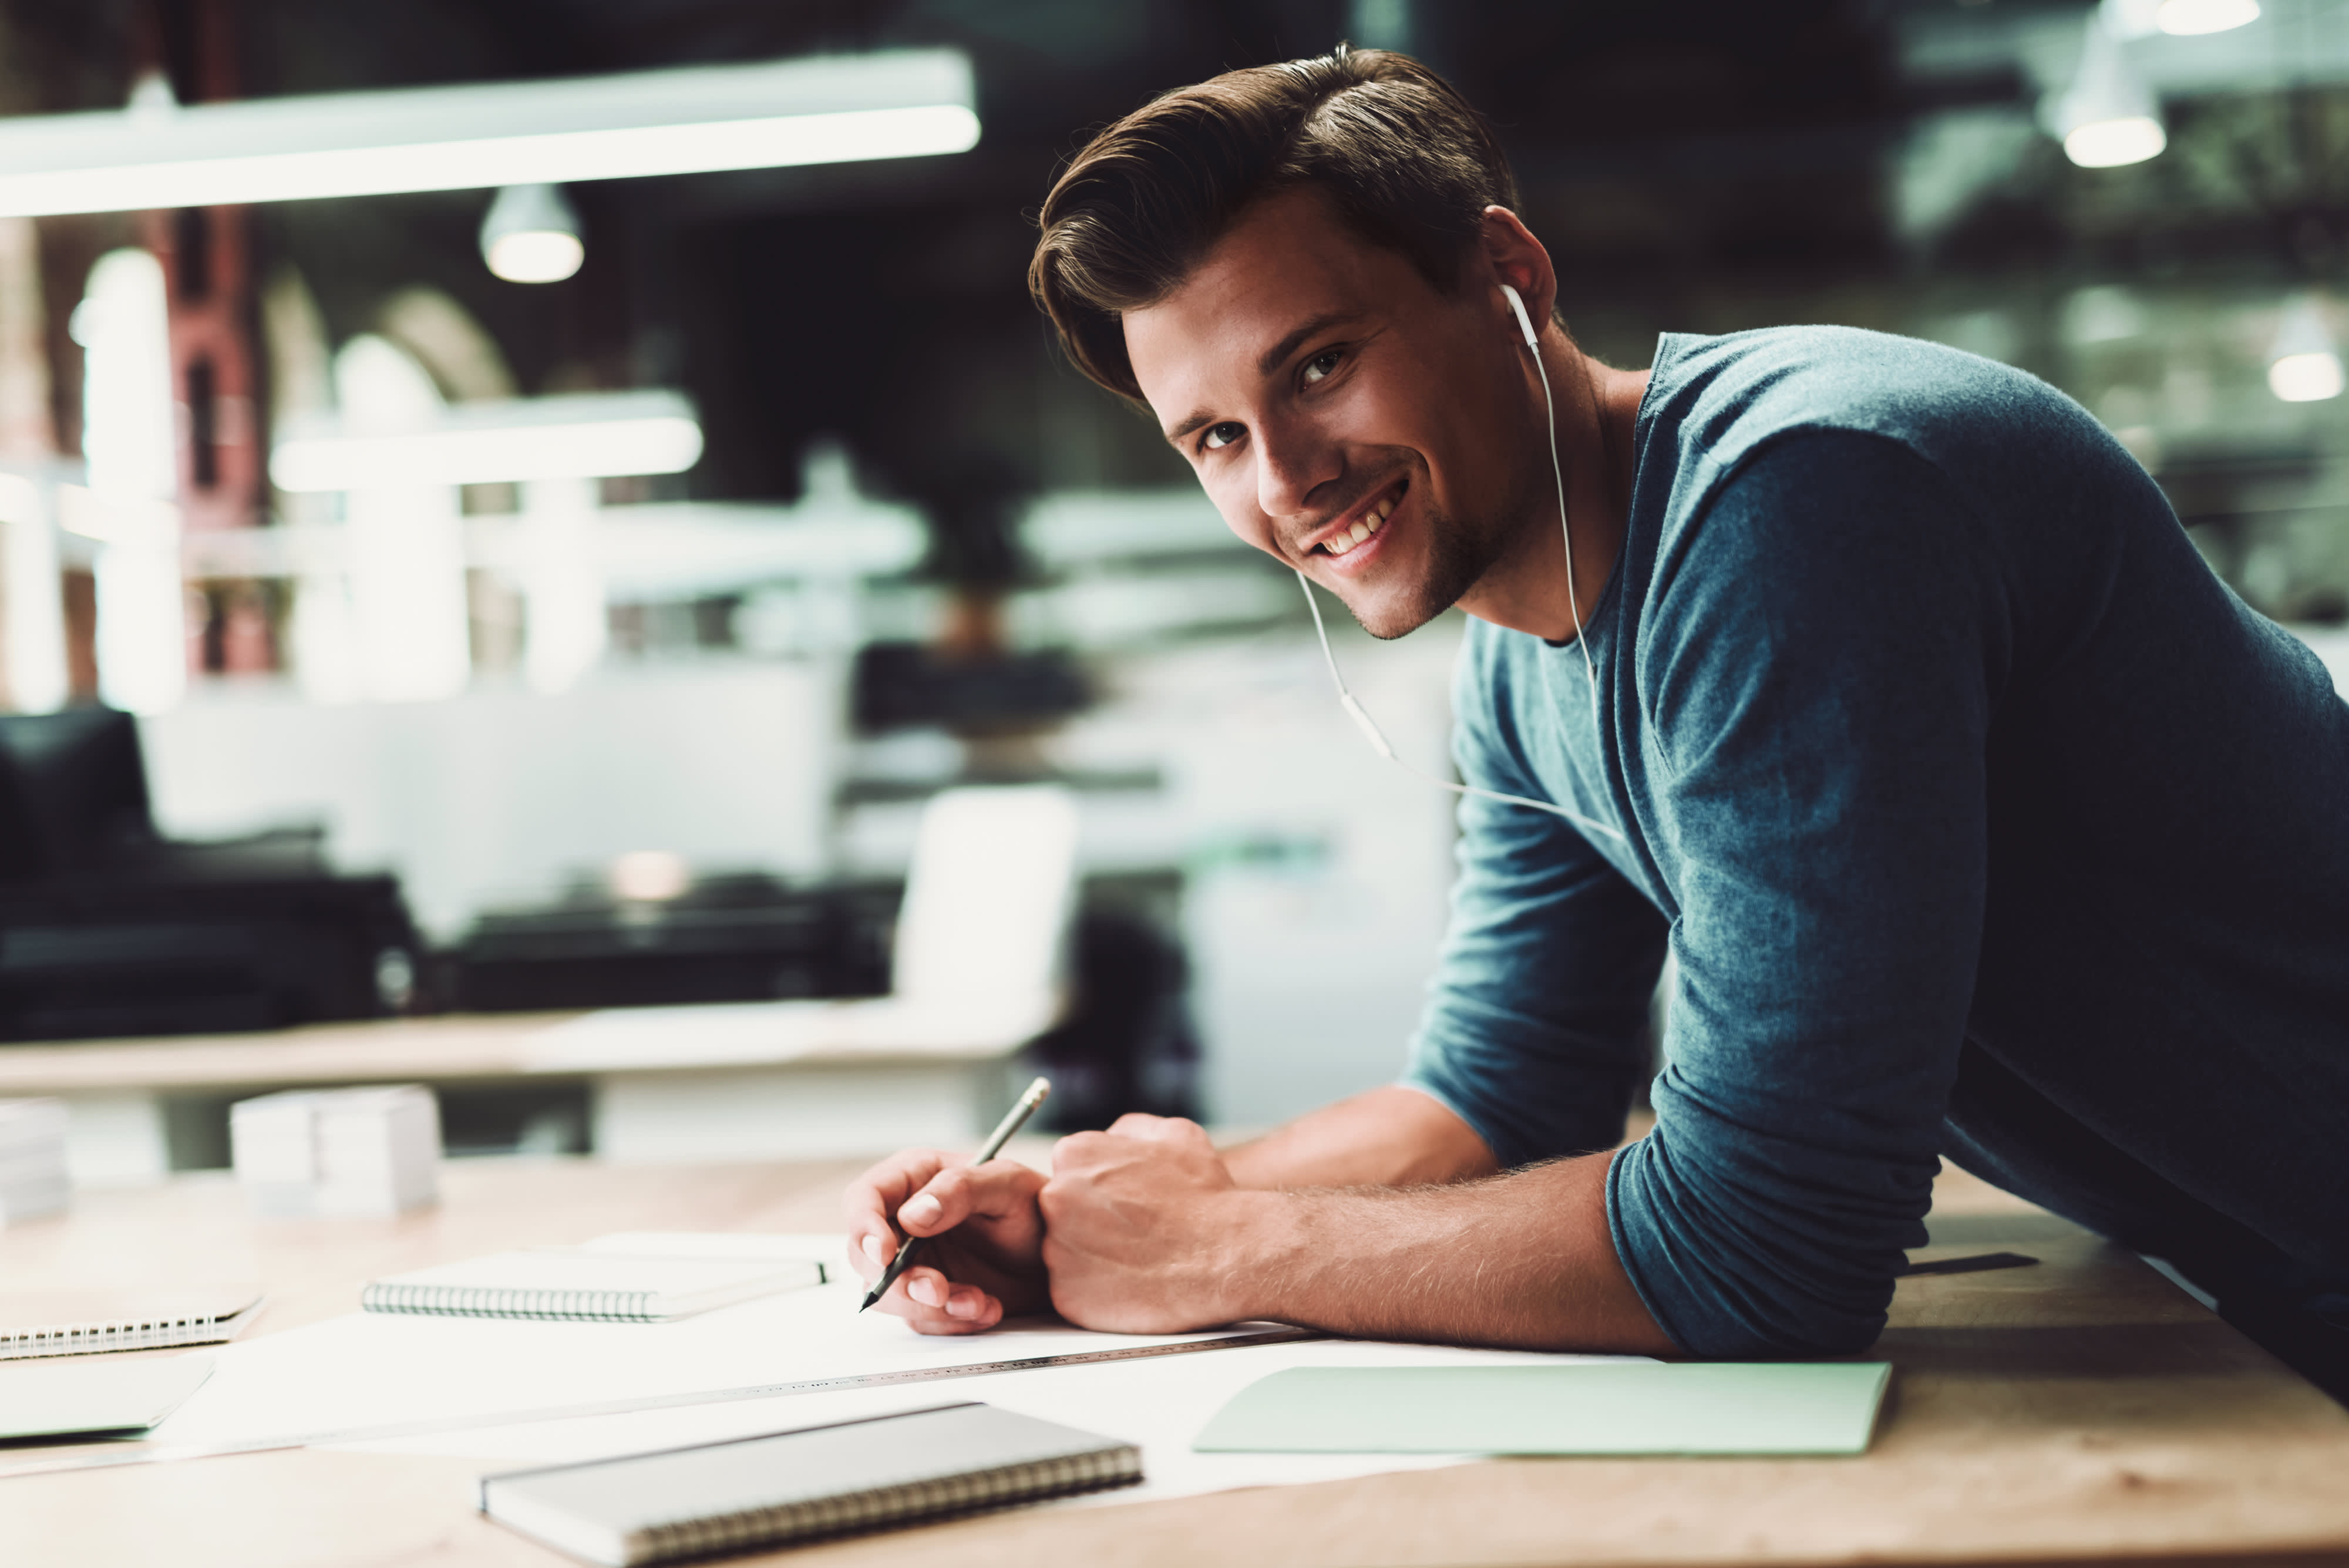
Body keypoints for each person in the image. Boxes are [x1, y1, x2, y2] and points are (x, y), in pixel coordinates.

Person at [844, 46, 2349, 1391]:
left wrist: (1211, 1257)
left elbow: (1766, 1257)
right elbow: (1491, 1099)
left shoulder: (1802, 503)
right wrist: (1074, 1225)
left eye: (1316, 364)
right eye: (1216, 436)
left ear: (1507, 271)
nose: (1286, 478)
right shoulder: (1518, 651)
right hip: (2252, 1281)